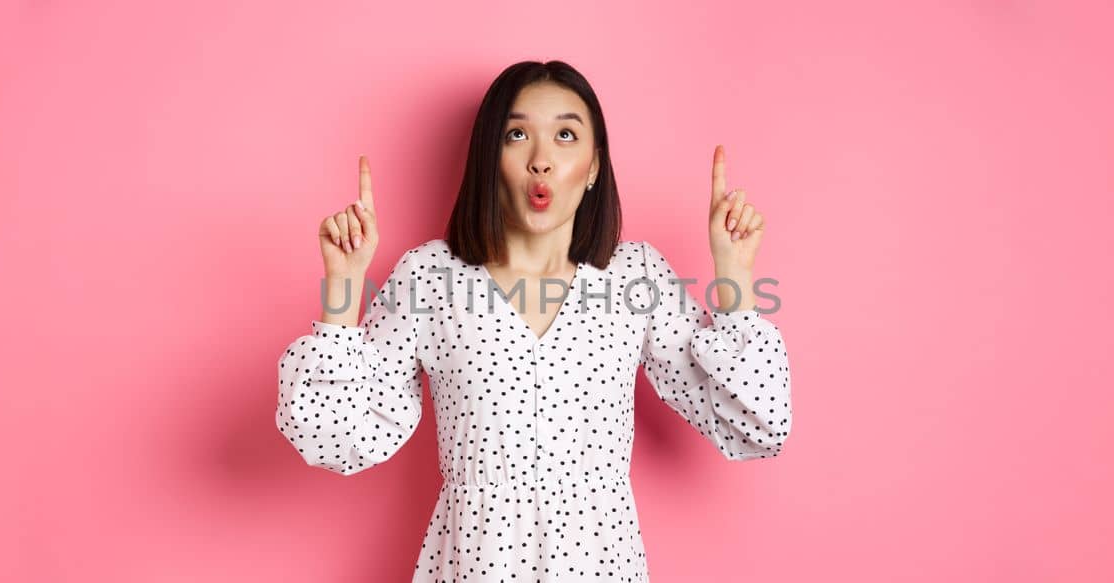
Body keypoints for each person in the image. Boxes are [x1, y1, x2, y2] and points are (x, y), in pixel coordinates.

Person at [277, 60, 791, 582]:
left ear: (593, 166)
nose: (540, 161)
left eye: (566, 135)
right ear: (489, 156)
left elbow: (756, 423)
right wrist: (343, 288)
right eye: (517, 134)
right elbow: (331, 437)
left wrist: (734, 273)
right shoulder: (430, 277)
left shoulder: (636, 277)